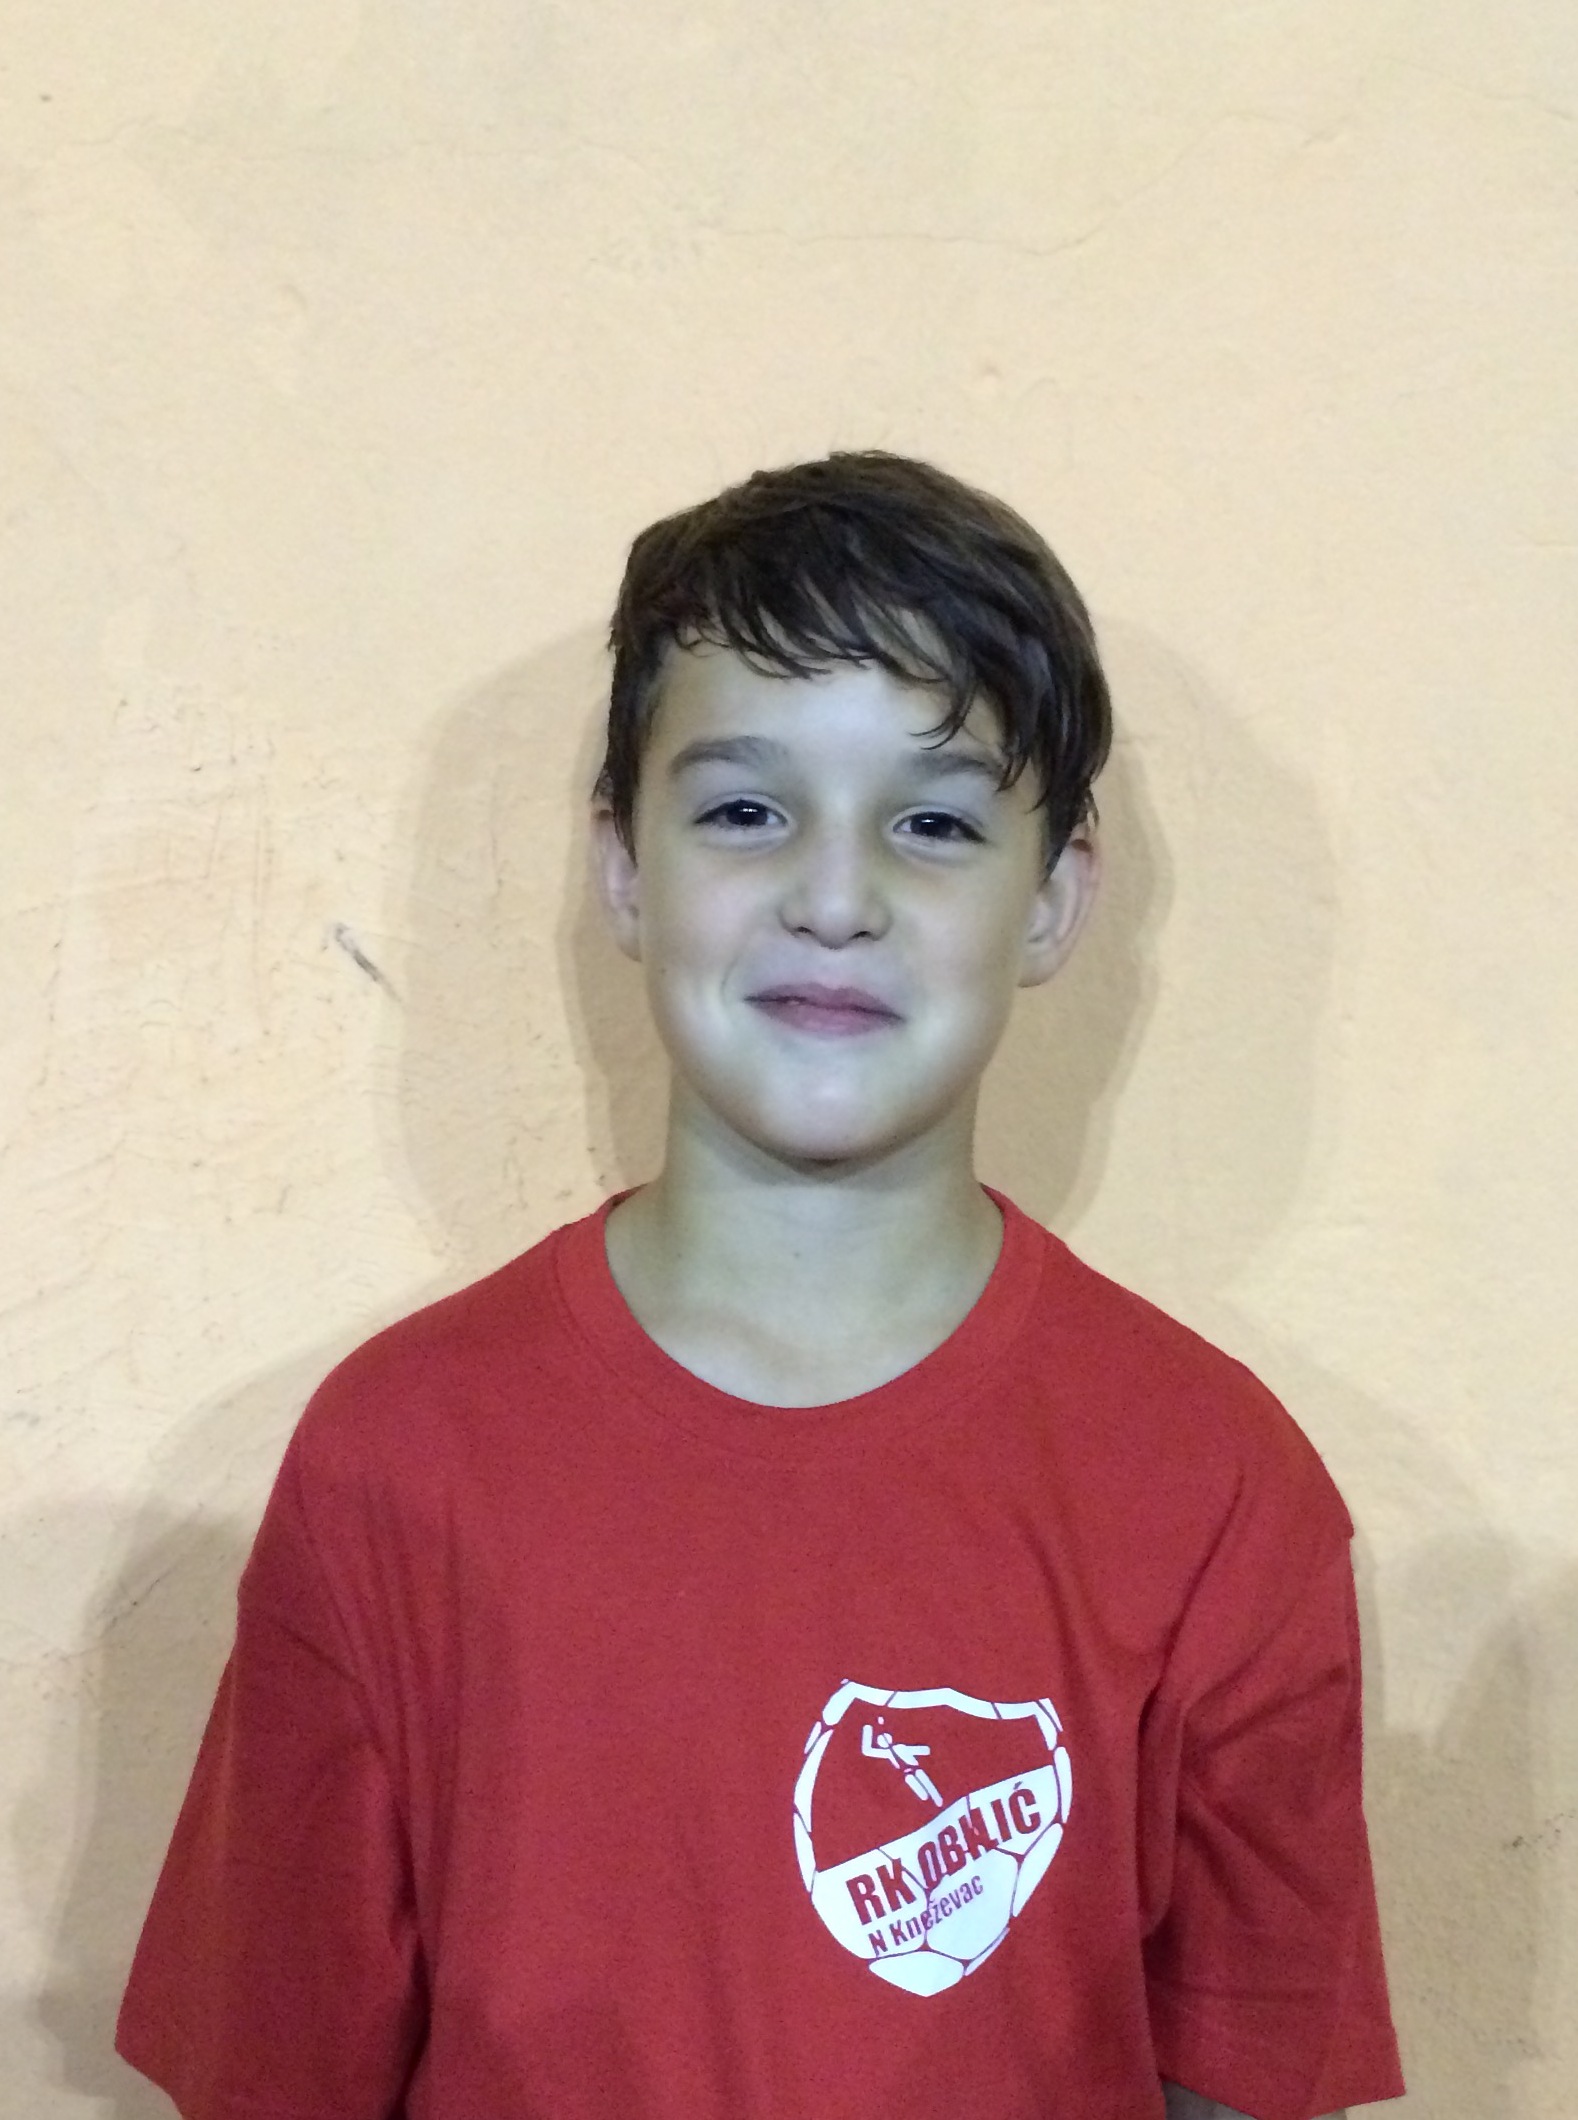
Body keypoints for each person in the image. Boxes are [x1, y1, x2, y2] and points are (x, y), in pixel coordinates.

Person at [116, 452, 1404, 2119]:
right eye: (744, 810)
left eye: (932, 823)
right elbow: (278, 2073)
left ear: (1051, 899)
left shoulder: (1217, 1484)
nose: (834, 898)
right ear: (623, 867)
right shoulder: (397, 1460)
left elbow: (1242, 2079)